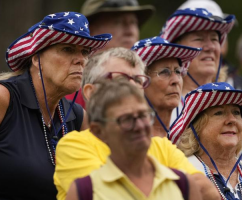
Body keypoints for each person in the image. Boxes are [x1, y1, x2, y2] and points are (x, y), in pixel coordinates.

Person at [0, 12, 111, 200]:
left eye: (84, 52)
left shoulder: (78, 117)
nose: (81, 59)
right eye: (67, 49)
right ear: (36, 58)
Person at [54, 47, 220, 200]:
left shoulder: (162, 146)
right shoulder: (74, 146)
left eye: (138, 80)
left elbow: (208, 193)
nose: (133, 87)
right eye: (121, 79)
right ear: (91, 92)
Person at [161, 7, 242, 192]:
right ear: (178, 49)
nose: (210, 46)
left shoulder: (241, 99)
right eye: (199, 38)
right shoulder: (164, 103)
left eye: (215, 39)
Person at [66, 80, 201, 200]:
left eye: (143, 115)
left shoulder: (183, 184)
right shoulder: (84, 191)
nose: (140, 126)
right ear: (98, 131)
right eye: (126, 119)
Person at [175, 82, 242, 200]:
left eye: (236, 113)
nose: (232, 120)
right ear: (197, 127)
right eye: (219, 113)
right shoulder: (182, 178)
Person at [65, 0, 155, 106]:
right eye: (118, 22)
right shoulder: (69, 87)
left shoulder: (151, 86)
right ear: (91, 30)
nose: (130, 30)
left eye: (133, 22)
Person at [131, 36, 201, 137]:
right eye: (164, 72)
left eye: (178, 71)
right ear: (140, 81)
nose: (176, 80)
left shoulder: (190, 140)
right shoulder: (131, 141)